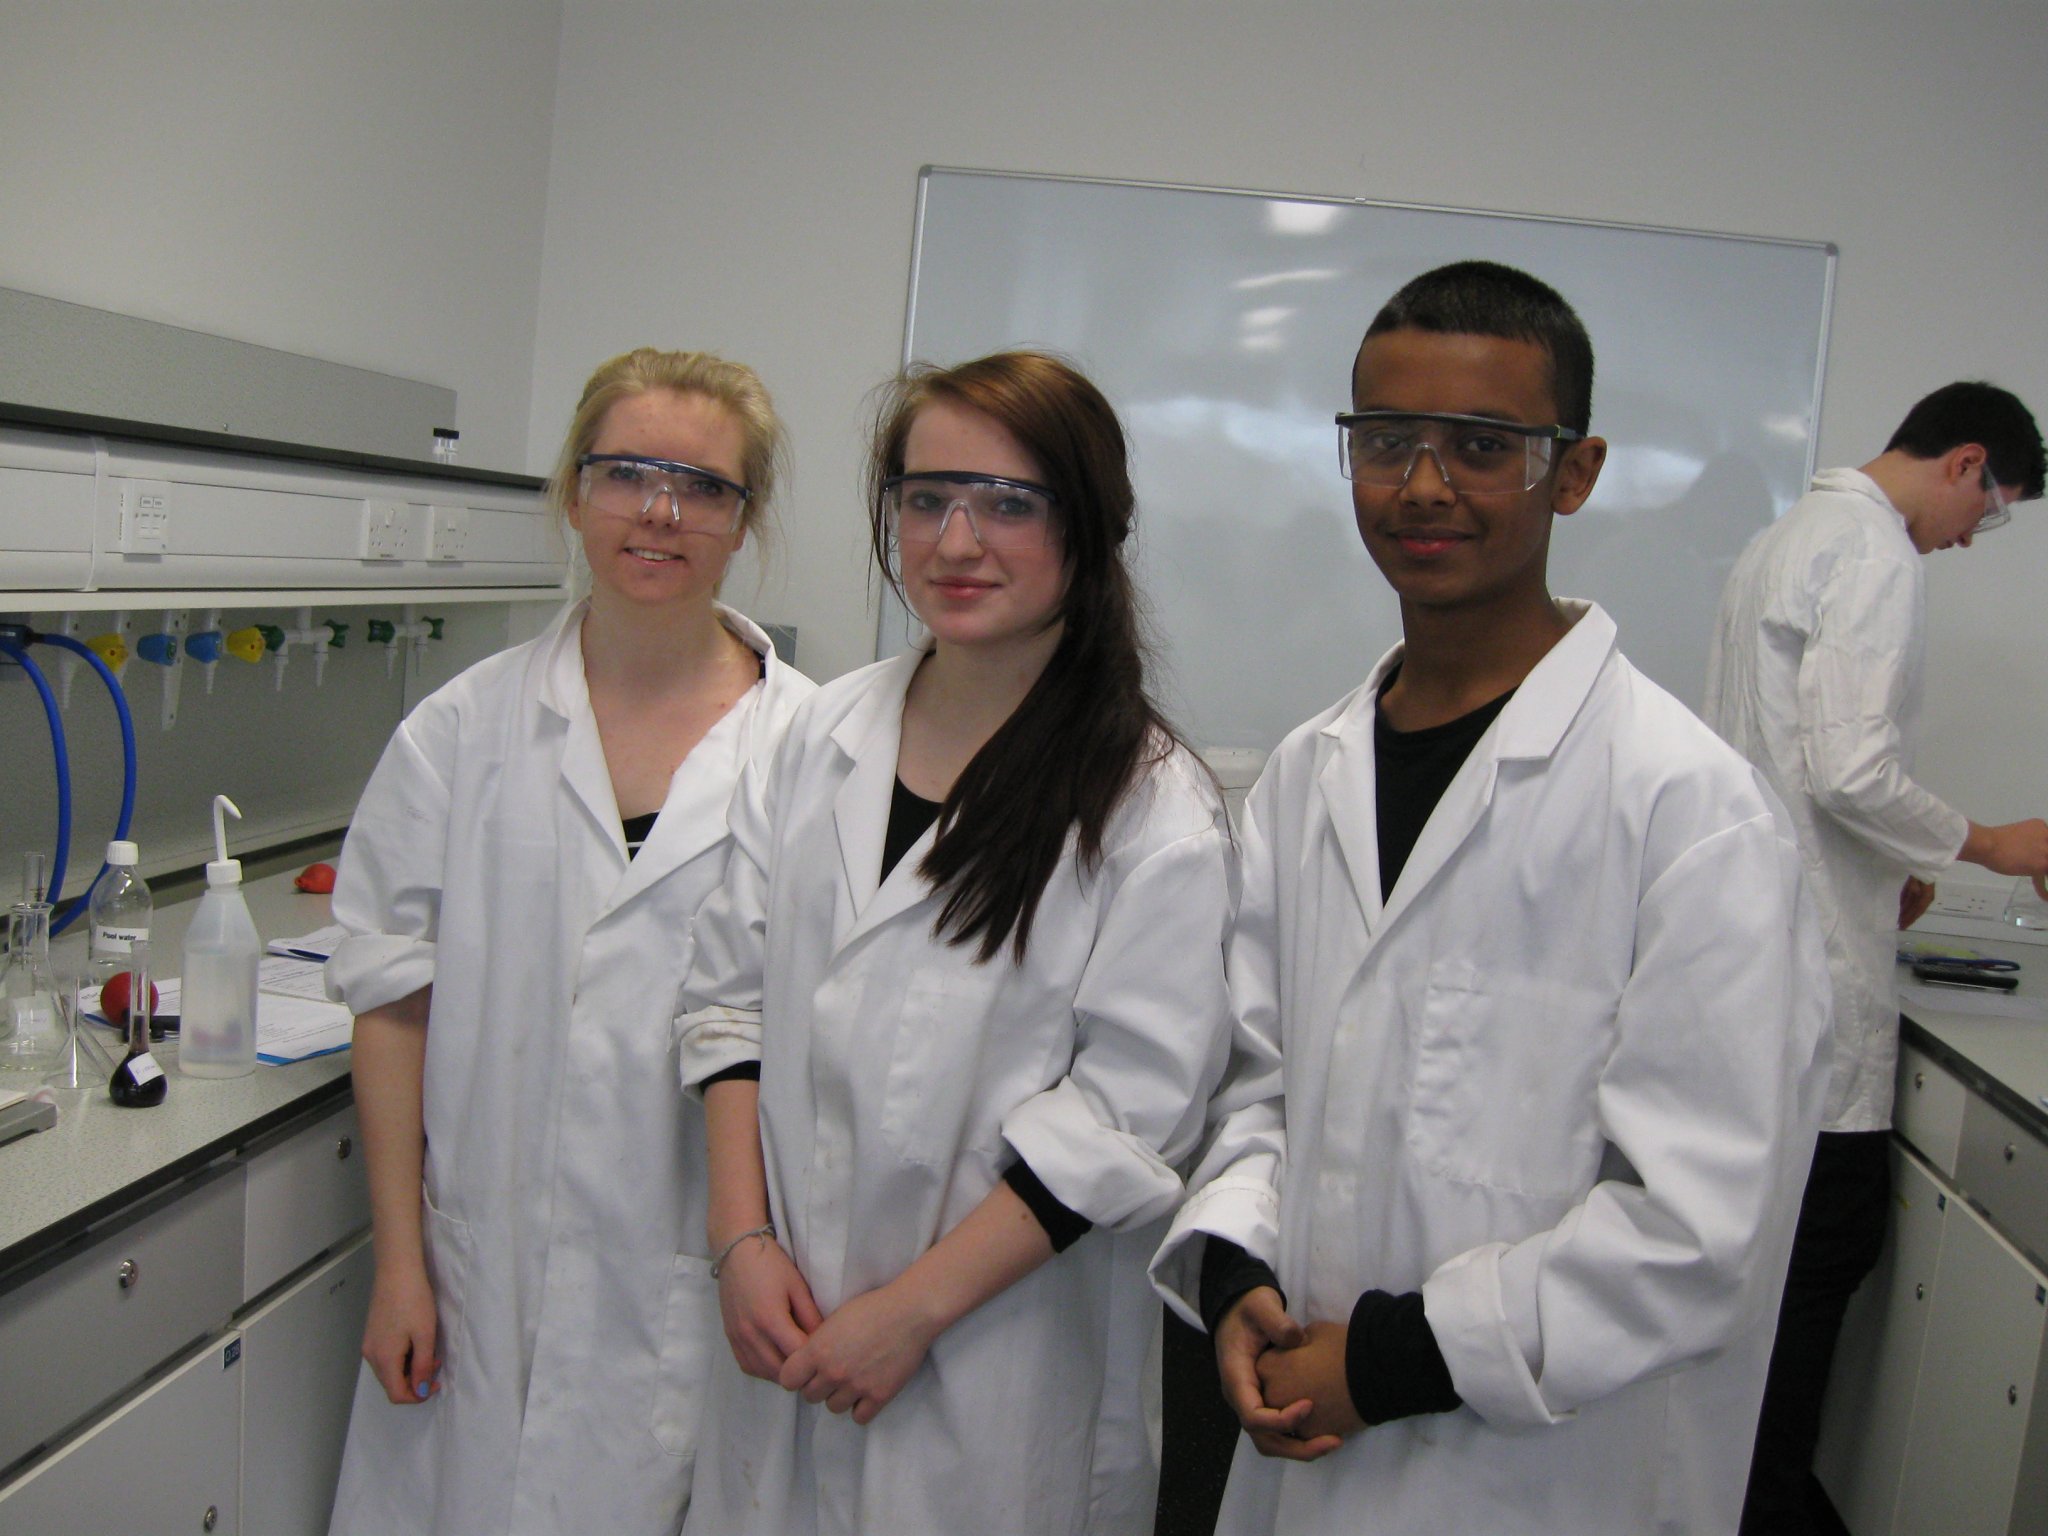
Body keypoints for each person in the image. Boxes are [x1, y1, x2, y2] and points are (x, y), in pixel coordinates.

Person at [1152, 260, 1831, 1535]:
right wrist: (1240, 1262)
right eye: (1386, 441)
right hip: (1305, 1425)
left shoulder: (1685, 807)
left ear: (1571, 473)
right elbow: (1260, 1079)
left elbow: (1696, 1227)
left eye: (1480, 446)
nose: (1421, 484)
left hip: (1538, 1477)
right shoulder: (1310, 772)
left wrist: (1396, 1361)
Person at [675, 351, 1235, 1535]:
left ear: (1091, 526)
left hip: (995, 1372)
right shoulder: (817, 733)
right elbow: (725, 997)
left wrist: (912, 1312)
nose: (955, 540)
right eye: (925, 499)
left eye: (1009, 503)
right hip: (785, 1322)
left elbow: (1124, 1121)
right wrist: (739, 1238)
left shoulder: (1151, 809)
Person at [324, 348, 815, 1535]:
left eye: (703, 487)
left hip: (693, 1270)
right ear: (572, 489)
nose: (659, 512)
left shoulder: (814, 749)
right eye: (626, 473)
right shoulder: (463, 729)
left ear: (744, 520)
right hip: (477, 1265)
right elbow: (392, 1003)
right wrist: (400, 1261)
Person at [1703, 380, 2048, 1535]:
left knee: (1749, 1296)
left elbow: (1787, 759)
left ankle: (1713, 1499)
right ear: (1963, 464)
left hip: (1755, 946)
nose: (1968, 537)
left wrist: (1881, 867)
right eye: (1988, 510)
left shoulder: (1782, 538)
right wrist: (1992, 843)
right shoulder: (1874, 554)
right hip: (1814, 989)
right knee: (1815, 1274)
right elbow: (1848, 770)